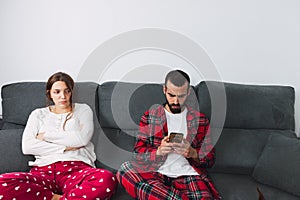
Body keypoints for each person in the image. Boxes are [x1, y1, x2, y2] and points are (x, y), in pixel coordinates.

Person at [0, 72, 117, 200]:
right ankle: (55, 198)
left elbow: (81, 139)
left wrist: (45, 136)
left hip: (78, 169)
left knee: (106, 179)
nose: (63, 96)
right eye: (57, 92)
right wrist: (65, 147)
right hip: (43, 171)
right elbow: (27, 147)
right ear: (49, 93)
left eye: (67, 91)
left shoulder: (83, 110)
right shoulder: (38, 114)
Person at [117, 70, 221, 200]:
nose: (176, 101)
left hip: (189, 176)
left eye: (181, 96)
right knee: (125, 170)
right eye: (172, 95)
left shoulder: (200, 120)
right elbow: (138, 155)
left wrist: (192, 152)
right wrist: (159, 151)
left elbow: (210, 159)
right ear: (164, 90)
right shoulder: (150, 116)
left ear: (188, 92)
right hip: (155, 173)